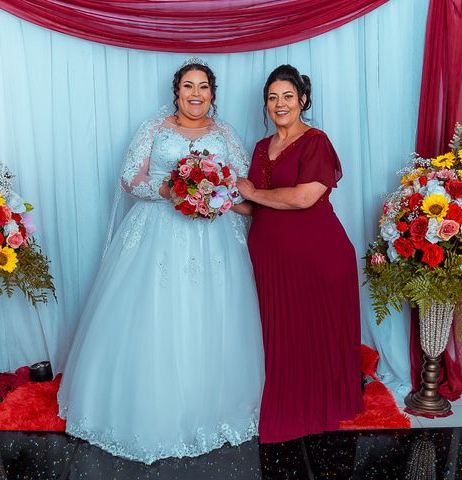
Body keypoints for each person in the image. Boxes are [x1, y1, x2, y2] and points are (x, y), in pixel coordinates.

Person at [58, 59, 264, 464]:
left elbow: (241, 184)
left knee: (212, 316)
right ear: (176, 92)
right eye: (188, 86)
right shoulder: (155, 128)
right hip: (157, 231)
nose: (196, 94)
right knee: (155, 315)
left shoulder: (225, 133)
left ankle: (213, 407)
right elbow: (129, 177)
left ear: (213, 94)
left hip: (214, 237)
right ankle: (148, 408)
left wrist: (215, 194)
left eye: (203, 87)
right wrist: (170, 188)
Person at [237, 65, 363, 444]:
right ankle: (285, 401)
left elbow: (305, 197)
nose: (280, 104)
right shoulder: (261, 147)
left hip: (316, 256)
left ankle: (314, 407)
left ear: (303, 100)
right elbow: (253, 204)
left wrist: (250, 193)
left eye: (288, 96)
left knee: (309, 336)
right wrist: (211, 198)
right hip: (271, 257)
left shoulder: (316, 142)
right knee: (280, 337)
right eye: (273, 97)